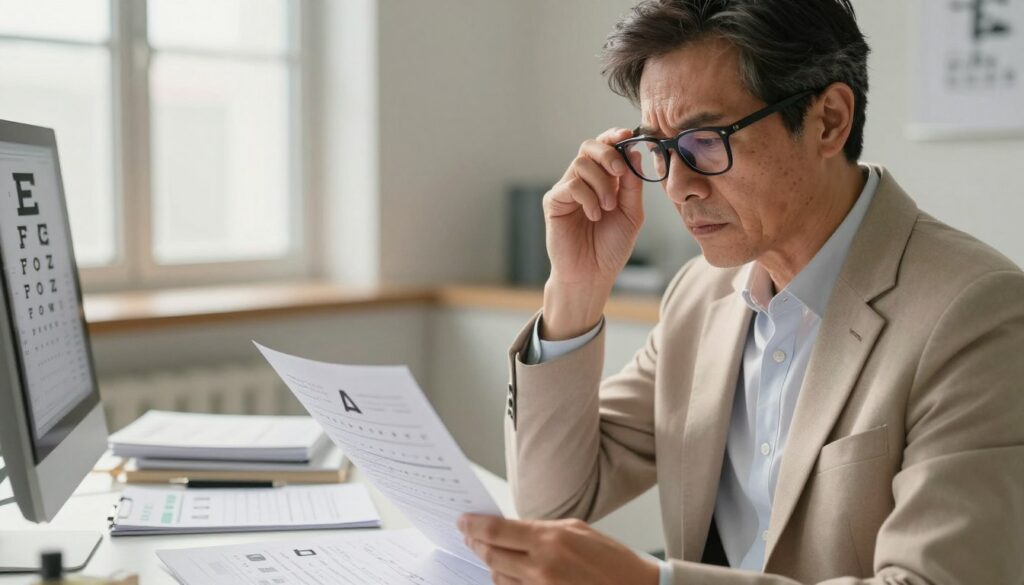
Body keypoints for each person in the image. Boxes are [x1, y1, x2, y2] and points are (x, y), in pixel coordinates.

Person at [455, 1, 1024, 584]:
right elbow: (552, 505)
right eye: (659, 148)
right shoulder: (700, 297)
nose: (677, 187)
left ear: (829, 120)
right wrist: (575, 289)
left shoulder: (977, 313)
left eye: (704, 140)